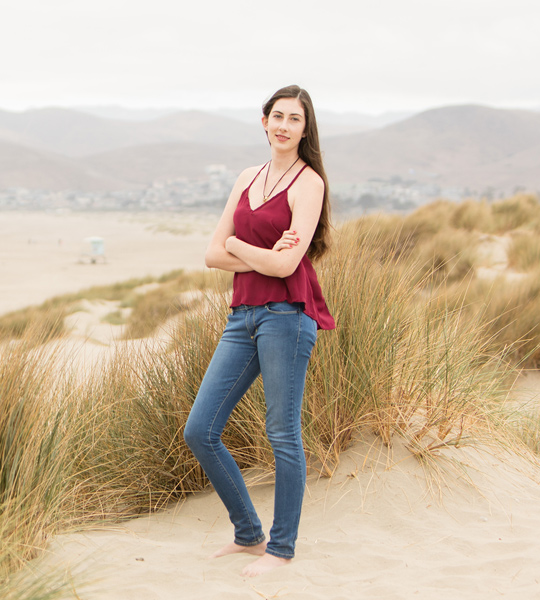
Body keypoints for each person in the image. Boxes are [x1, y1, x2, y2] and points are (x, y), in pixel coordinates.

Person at [183, 84, 335, 577]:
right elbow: (210, 254)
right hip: (243, 313)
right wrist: (260, 256)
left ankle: (282, 548)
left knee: (282, 434)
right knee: (200, 430)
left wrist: (242, 248)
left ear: (305, 129)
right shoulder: (249, 177)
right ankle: (249, 534)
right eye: (277, 116)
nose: (284, 125)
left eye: (295, 119)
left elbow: (289, 262)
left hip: (287, 316)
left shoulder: (309, 184)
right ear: (264, 122)